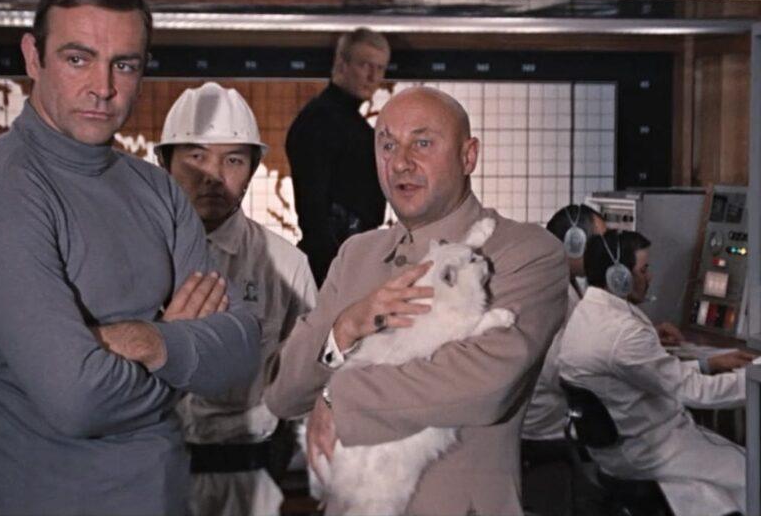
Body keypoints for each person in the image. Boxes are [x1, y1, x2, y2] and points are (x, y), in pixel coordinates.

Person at [0, 0, 260, 515]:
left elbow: (241, 349)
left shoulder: (157, 189)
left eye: (123, 65)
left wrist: (150, 342)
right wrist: (183, 353)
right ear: (33, 57)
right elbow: (79, 400)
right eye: (78, 59)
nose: (103, 88)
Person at [266, 86, 569, 514]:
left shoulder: (523, 251)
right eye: (387, 145)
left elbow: (484, 384)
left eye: (422, 143)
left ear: (469, 156)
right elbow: (283, 394)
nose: (400, 162)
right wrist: (344, 329)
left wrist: (337, 397)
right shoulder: (357, 255)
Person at [155, 82, 318, 516]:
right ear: (164, 162)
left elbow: (312, 382)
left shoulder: (286, 266)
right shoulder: (126, 257)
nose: (213, 175)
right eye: (196, 156)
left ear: (252, 169)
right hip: (147, 474)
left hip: (248, 480)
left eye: (233, 159)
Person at [558, 230, 754, 516]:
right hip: (650, 449)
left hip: (617, 449)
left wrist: (707, 364)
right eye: (643, 269)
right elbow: (697, 392)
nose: (649, 277)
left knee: (719, 488)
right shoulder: (623, 333)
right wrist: (753, 380)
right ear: (618, 277)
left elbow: (646, 374)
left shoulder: (588, 312)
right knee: (751, 473)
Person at [285, 28, 390, 286]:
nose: (373, 77)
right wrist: (336, 273)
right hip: (332, 266)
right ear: (342, 64)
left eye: (380, 68)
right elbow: (313, 209)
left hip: (351, 259)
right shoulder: (319, 121)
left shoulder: (353, 126)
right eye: (365, 65)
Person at [521, 204, 607, 515]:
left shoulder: (558, 279)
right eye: (599, 243)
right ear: (574, 243)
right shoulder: (553, 290)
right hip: (543, 434)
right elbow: (557, 369)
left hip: (545, 424)